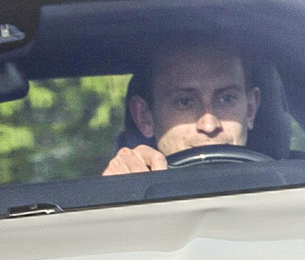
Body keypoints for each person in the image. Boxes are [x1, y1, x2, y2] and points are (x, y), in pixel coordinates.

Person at [103, 41, 261, 175]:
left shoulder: (285, 190)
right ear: (144, 118)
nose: (209, 125)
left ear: (250, 110)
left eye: (227, 99)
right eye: (184, 102)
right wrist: (116, 192)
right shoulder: (127, 195)